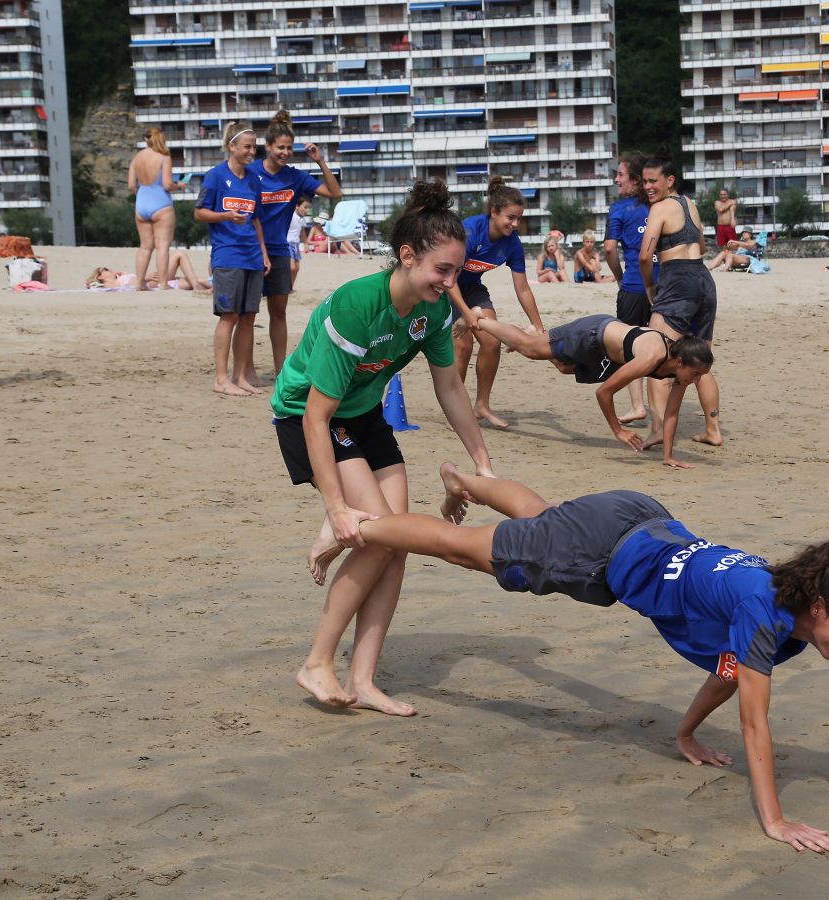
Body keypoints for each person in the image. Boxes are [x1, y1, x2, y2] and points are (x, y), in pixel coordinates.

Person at [307, 462, 829, 853]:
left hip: (636, 515)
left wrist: (684, 734)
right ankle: (355, 527)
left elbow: (726, 673)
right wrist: (776, 821)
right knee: (465, 552)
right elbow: (755, 724)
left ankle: (470, 481)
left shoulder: (779, 595)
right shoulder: (766, 619)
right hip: (601, 551)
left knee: (540, 525)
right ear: (818, 603)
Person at [270, 180, 496, 715]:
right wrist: (335, 506)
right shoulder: (357, 306)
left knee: (395, 545)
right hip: (310, 415)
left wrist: (482, 465)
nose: (449, 282)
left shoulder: (433, 314)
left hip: (365, 414)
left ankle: (364, 680)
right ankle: (316, 662)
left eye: (457, 271)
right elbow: (317, 415)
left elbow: (449, 388)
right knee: (378, 537)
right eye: (441, 270)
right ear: (406, 256)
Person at [472, 314, 713, 452]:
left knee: (566, 368)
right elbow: (604, 392)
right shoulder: (651, 358)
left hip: (608, 351)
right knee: (530, 350)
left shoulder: (680, 370)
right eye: (696, 374)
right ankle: (478, 320)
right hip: (592, 333)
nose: (697, 380)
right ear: (680, 363)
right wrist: (618, 431)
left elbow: (671, 414)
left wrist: (668, 456)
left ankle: (534, 339)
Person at [638, 154, 724, 465]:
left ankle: (659, 429)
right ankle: (713, 429)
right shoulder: (691, 205)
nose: (647, 186)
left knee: (655, 358)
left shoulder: (659, 208)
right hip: (703, 280)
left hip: (677, 282)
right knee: (699, 361)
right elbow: (701, 247)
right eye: (644, 181)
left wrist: (650, 287)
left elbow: (646, 256)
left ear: (669, 180)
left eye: (652, 181)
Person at [249, 110, 342, 380]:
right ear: (268, 147)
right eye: (280, 147)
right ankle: (248, 370)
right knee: (246, 315)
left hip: (278, 250)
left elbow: (334, 193)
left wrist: (320, 160)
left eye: (289, 148)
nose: (285, 152)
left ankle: (280, 370)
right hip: (250, 249)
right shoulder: (252, 172)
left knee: (278, 312)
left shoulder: (295, 176)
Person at [449, 175, 546, 428]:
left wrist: (538, 327)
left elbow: (523, 288)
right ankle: (456, 411)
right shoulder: (470, 231)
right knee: (463, 345)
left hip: (472, 288)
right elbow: (449, 279)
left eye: (518, 219)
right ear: (494, 212)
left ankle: (481, 405)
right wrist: (465, 315)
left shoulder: (512, 243)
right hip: (445, 288)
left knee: (491, 341)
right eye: (510, 217)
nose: (515, 224)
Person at [194, 121, 269, 397]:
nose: (252, 151)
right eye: (247, 146)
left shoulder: (252, 179)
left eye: (254, 146)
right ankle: (221, 378)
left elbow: (257, 219)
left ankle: (240, 376)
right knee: (229, 316)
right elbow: (199, 213)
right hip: (227, 255)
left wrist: (263, 252)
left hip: (252, 256)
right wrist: (225, 216)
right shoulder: (215, 176)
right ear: (232, 146)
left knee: (248, 317)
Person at [604, 154, 655, 424]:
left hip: (634, 285)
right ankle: (660, 411)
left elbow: (610, 248)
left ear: (636, 180)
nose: (616, 179)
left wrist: (619, 277)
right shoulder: (660, 206)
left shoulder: (619, 209)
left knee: (630, 346)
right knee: (662, 344)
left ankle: (638, 406)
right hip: (663, 287)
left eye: (621, 174)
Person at [128, 127, 185, 293]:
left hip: (141, 203)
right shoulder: (163, 157)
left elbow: (131, 185)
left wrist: (141, 195)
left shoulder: (137, 158)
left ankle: (139, 283)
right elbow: (167, 184)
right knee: (162, 247)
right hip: (160, 203)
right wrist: (179, 186)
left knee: (145, 247)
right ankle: (163, 284)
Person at [85, 251, 208, 291]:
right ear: (100, 276)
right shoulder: (111, 284)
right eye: (105, 270)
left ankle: (224, 286)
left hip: (159, 281)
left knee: (199, 280)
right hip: (158, 281)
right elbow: (93, 285)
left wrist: (120, 274)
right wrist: (144, 278)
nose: (109, 269)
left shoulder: (120, 277)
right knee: (179, 254)